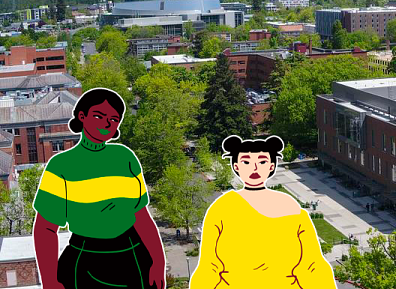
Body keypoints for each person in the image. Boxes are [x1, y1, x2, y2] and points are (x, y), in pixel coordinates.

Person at [32, 88, 167, 289]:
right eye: (98, 116)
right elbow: (45, 228)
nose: (106, 123)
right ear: (82, 116)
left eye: (114, 120)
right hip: (84, 260)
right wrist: (50, 281)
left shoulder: (126, 157)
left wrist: (158, 261)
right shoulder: (60, 165)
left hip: (134, 256)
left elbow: (141, 216)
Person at [189, 135, 337, 288]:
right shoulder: (222, 209)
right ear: (236, 166)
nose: (255, 168)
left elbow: (312, 264)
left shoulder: (290, 208)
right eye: (246, 162)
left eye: (262, 162)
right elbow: (209, 266)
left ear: (271, 166)